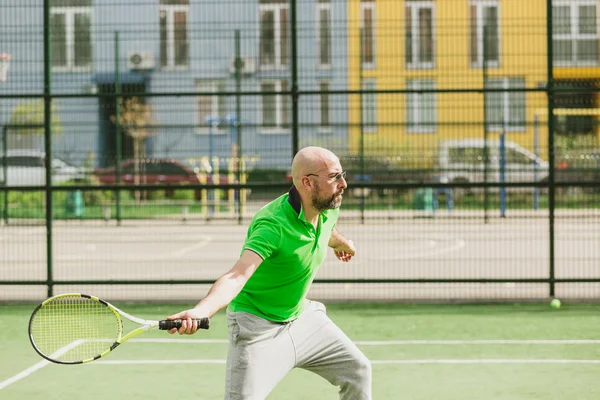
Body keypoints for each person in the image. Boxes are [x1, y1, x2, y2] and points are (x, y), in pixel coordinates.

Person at [167, 146, 372, 400]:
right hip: (256, 328)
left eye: (342, 175)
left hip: (302, 319)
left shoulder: (326, 206)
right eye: (334, 177)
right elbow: (237, 275)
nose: (344, 184)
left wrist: (340, 242)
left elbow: (325, 229)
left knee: (359, 371)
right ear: (308, 183)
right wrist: (202, 311)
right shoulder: (272, 225)